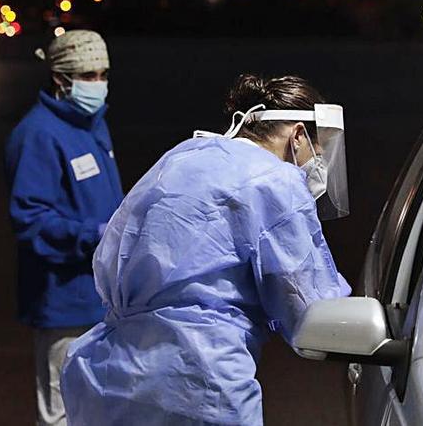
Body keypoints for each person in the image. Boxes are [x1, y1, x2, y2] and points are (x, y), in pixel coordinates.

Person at [61, 74, 351, 426]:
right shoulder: (275, 180)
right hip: (196, 382)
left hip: (114, 377)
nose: (314, 166)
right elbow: (308, 303)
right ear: (298, 136)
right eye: (316, 155)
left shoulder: (183, 156)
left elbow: (114, 249)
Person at [5, 30, 124, 426]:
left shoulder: (93, 125)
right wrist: (95, 235)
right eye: (89, 75)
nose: (99, 84)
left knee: (101, 407)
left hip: (102, 296)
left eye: (104, 74)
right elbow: (31, 221)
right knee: (60, 414)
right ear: (61, 79)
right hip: (63, 301)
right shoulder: (38, 134)